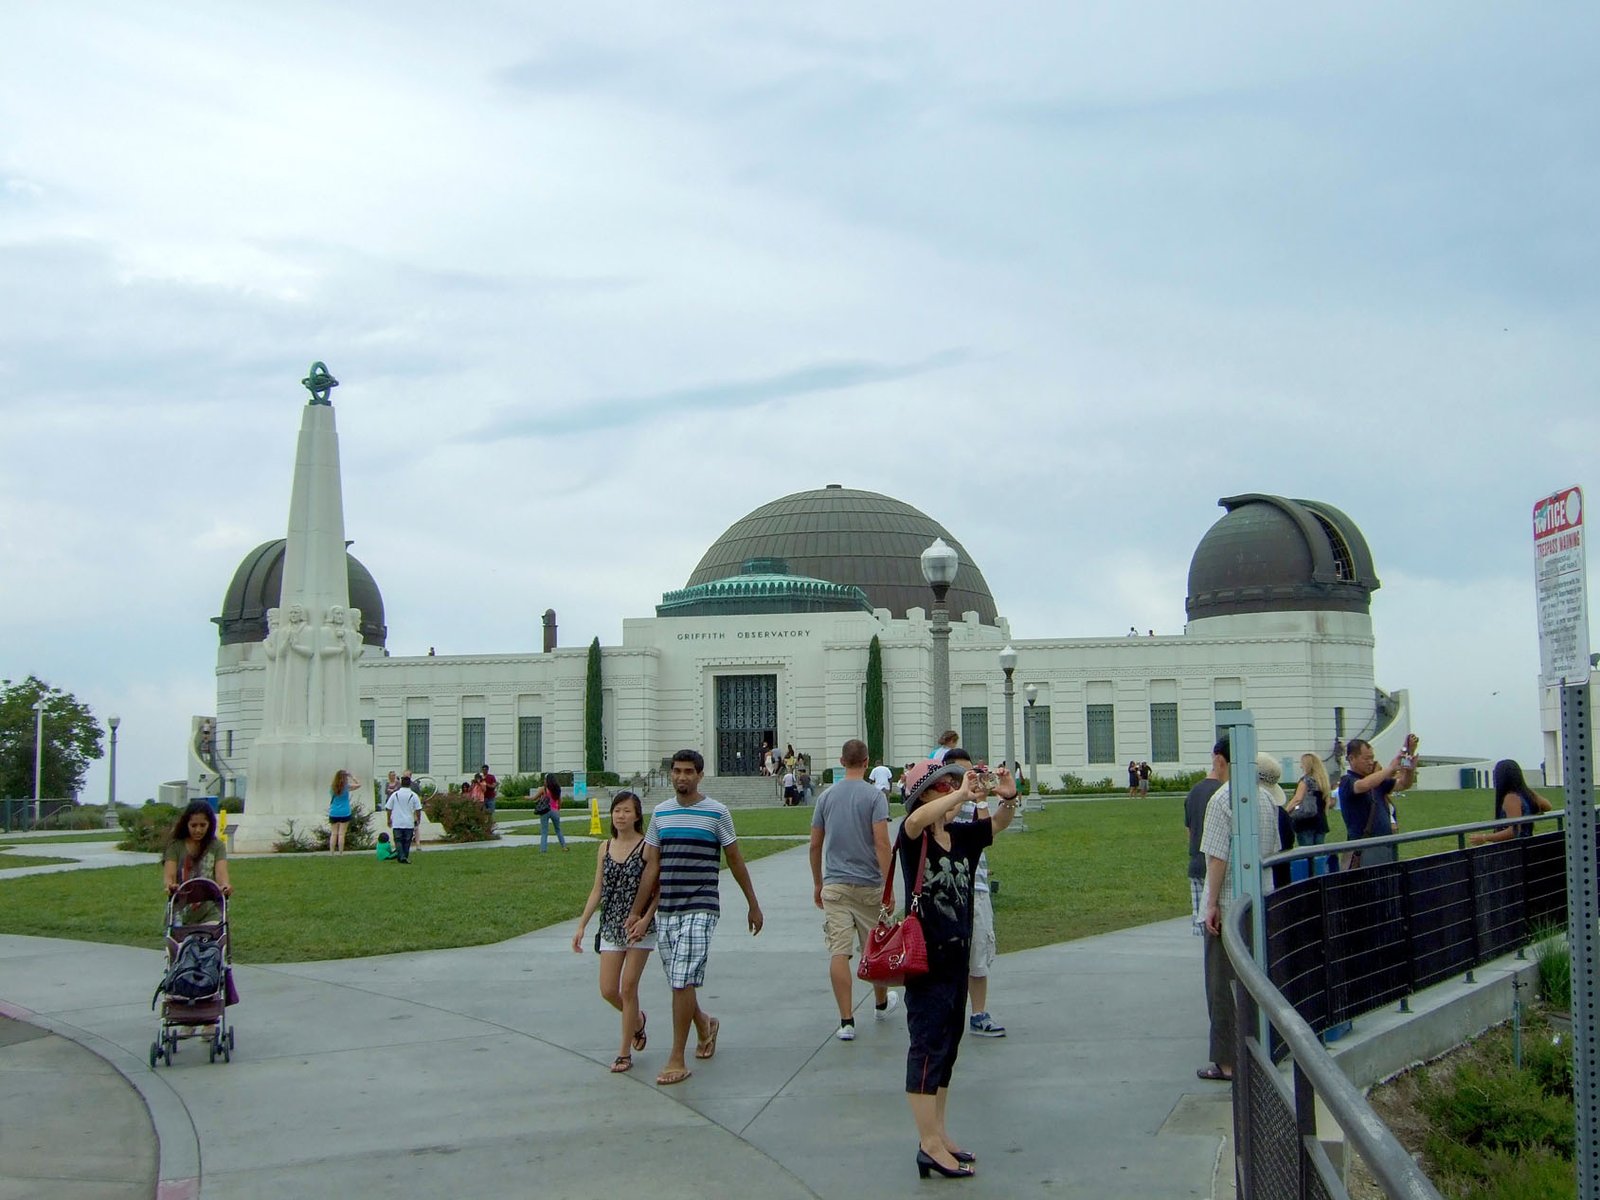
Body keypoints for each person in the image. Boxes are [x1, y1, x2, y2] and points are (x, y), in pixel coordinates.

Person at [895, 755, 1017, 1178]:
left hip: (956, 959)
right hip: (926, 962)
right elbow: (912, 821)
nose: (951, 791)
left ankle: (939, 1134)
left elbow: (998, 824)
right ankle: (927, 1143)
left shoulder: (960, 837)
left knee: (947, 1049)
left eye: (952, 785)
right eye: (942, 787)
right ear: (924, 796)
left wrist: (1007, 793)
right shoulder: (915, 837)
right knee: (926, 1049)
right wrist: (964, 793)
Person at [626, 749, 763, 1087]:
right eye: (677, 771)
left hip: (702, 906)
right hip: (669, 907)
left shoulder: (717, 813)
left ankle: (676, 1056)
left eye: (689, 771)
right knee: (679, 980)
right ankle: (704, 1025)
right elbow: (652, 867)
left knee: (682, 979)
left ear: (700, 775)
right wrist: (637, 910)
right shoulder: (661, 813)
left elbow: (735, 859)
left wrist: (753, 904)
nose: (682, 777)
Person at [1198, 743, 1282, 1082]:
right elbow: (1273, 849)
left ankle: (1228, 1061)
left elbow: (1217, 857)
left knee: (1222, 984)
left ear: (1220, 760)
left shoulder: (1221, 800)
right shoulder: (1264, 797)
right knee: (1256, 978)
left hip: (1231, 905)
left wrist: (1211, 904)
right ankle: (1260, 1048)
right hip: (1259, 900)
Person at [810, 738, 900, 1041]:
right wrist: (889, 886)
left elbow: (814, 844)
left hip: (835, 883)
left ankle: (846, 1021)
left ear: (841, 760)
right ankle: (880, 1003)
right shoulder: (875, 797)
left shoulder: (826, 797)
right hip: (869, 884)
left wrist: (818, 883)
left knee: (839, 951)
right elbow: (882, 844)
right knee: (875, 947)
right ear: (867, 762)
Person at [573, 791, 658, 1073]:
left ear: (637, 816)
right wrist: (582, 924)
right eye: (616, 810)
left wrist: (646, 918)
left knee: (628, 987)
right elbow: (597, 889)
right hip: (610, 923)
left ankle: (624, 1053)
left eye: (626, 811)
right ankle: (637, 1021)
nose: (620, 816)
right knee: (609, 990)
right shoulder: (604, 847)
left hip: (638, 928)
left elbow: (657, 889)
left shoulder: (647, 846)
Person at [942, 748, 1006, 1038]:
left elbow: (987, 831)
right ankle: (945, 1013)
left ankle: (978, 1013)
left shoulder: (975, 803)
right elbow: (942, 821)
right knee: (947, 958)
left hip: (976, 887)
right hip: (945, 892)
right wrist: (961, 795)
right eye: (960, 774)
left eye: (972, 773)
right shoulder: (938, 803)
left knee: (978, 954)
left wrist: (994, 798)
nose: (968, 779)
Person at [1336, 735, 1419, 868]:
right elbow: (1362, 785)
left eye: (1372, 758)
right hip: (1363, 849)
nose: (1371, 762)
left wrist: (1409, 767)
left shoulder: (1377, 781)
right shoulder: (1347, 781)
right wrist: (1390, 768)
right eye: (1366, 758)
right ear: (1351, 758)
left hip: (1385, 846)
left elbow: (1403, 784)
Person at [163, 801, 233, 924]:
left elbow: (221, 873)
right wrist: (170, 885)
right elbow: (170, 875)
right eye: (193, 825)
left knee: (213, 940)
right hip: (179, 911)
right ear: (186, 824)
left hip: (210, 911)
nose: (198, 830)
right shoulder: (175, 846)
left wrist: (225, 886)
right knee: (182, 942)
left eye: (203, 825)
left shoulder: (217, 846)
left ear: (210, 825)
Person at [1183, 744, 1227, 937]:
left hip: (1196, 862)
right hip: (1218, 866)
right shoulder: (1224, 793)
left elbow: (1190, 830)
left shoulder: (1194, 792)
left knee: (1203, 928)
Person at [1470, 759, 1553, 845]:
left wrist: (1484, 837)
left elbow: (1514, 831)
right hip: (1528, 846)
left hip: (1516, 850)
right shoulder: (1525, 794)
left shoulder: (1511, 798)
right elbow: (1548, 806)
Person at [1286, 753, 1333, 873]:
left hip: (1305, 822)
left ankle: (1310, 882)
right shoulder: (1323, 782)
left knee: (1307, 857)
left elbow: (1298, 799)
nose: (1301, 766)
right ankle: (1321, 880)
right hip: (1320, 823)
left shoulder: (1305, 781)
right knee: (1319, 857)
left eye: (1302, 764)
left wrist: (1286, 812)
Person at [385, 774, 423, 863]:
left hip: (397, 822)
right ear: (410, 784)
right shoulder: (413, 795)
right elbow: (418, 809)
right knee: (407, 841)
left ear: (401, 784)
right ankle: (404, 856)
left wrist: (389, 819)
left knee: (398, 840)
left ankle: (401, 857)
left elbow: (389, 808)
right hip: (408, 822)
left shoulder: (395, 794)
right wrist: (418, 819)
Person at [328, 768, 360, 853]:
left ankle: (331, 852)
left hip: (334, 812)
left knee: (334, 833)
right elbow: (358, 785)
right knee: (341, 834)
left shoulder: (332, 787)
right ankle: (341, 852)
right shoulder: (347, 787)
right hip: (345, 812)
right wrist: (352, 776)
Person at [538, 774, 568, 852]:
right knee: (558, 830)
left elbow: (534, 797)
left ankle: (543, 849)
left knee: (544, 831)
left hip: (545, 811)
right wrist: (558, 809)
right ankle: (564, 846)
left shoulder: (543, 789)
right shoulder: (556, 789)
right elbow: (560, 801)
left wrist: (526, 798)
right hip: (555, 811)